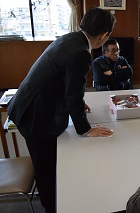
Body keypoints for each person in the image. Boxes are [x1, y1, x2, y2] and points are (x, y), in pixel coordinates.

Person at [7, 7, 115, 213]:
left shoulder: (71, 38)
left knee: (48, 164)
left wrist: (77, 101)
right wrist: (85, 128)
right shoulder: (81, 53)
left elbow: (63, 80)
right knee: (46, 168)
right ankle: (51, 207)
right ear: (103, 36)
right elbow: (73, 95)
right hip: (34, 114)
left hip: (28, 102)